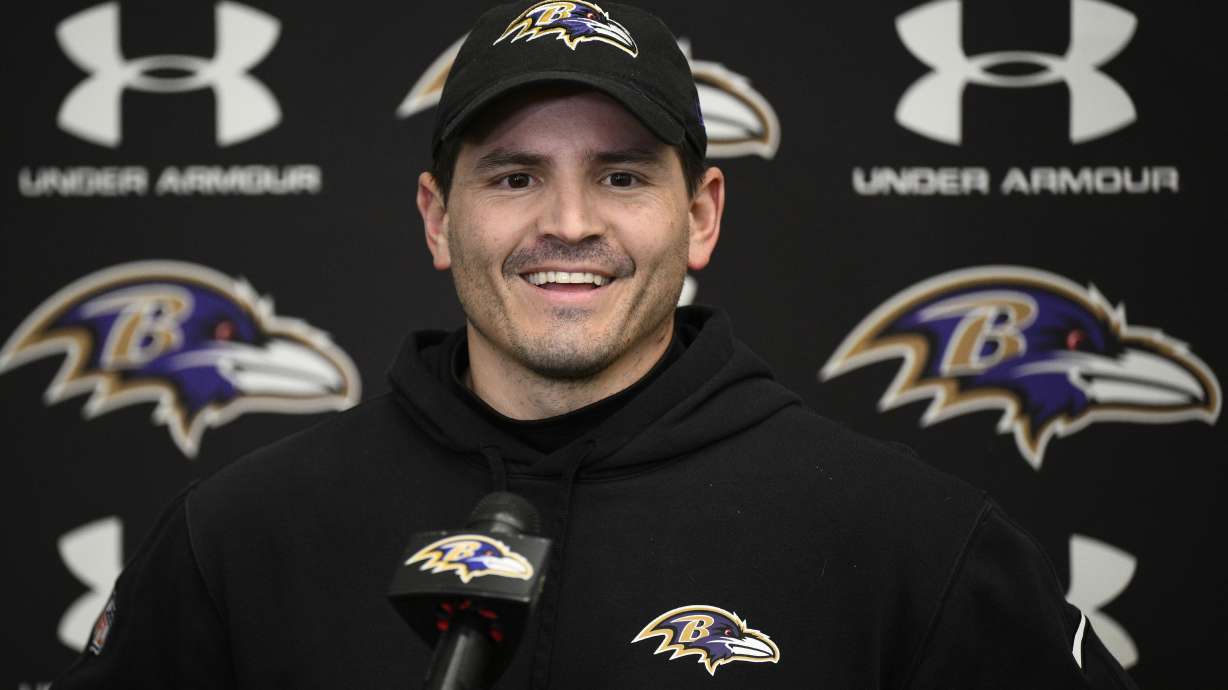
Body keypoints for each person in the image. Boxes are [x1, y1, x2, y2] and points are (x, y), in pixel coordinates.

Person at [55, 2, 1139, 688]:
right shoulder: (240, 539)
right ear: (437, 217)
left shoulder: (912, 545)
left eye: (620, 175)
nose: (566, 223)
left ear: (701, 215)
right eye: (514, 175)